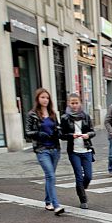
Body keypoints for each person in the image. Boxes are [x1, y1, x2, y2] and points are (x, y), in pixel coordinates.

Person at [25, 88, 64, 216]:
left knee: (49, 177)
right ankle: (56, 205)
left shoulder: (53, 113)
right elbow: (28, 132)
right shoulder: (32, 114)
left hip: (55, 149)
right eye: (42, 97)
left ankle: (48, 202)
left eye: (47, 98)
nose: (45, 100)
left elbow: (58, 128)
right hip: (42, 150)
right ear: (37, 99)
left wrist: (58, 132)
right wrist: (39, 134)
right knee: (51, 176)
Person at [60, 93, 95, 209]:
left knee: (88, 176)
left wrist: (88, 135)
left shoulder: (85, 116)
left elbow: (92, 131)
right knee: (79, 176)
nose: (74, 105)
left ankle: (81, 188)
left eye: (76, 103)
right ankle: (83, 199)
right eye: (72, 103)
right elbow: (61, 135)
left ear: (80, 103)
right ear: (69, 104)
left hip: (86, 149)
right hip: (74, 151)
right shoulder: (65, 118)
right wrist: (71, 135)